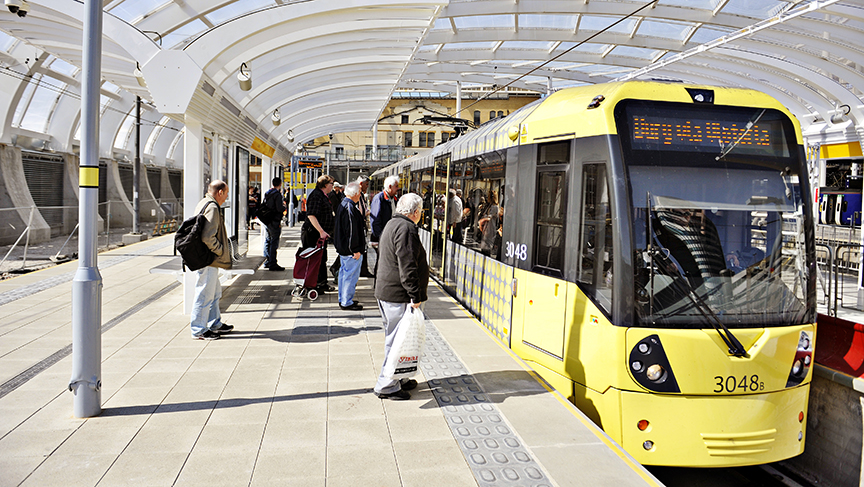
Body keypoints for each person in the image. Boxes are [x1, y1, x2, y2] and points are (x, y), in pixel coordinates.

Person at [372, 193, 429, 400]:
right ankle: (386, 385)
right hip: (398, 295)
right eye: (421, 212)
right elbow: (408, 265)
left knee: (401, 338)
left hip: (388, 291)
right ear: (416, 212)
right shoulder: (407, 228)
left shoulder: (393, 223)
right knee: (397, 340)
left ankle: (401, 375)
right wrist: (415, 295)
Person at [190, 180, 234, 340]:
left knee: (214, 293)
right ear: (220, 192)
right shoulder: (213, 207)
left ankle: (215, 323)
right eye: (226, 193)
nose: (227, 196)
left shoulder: (204, 202)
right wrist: (220, 250)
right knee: (204, 294)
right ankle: (198, 330)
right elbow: (207, 237)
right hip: (207, 259)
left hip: (207, 258)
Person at [302, 174, 336, 292]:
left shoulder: (323, 195)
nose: (333, 186)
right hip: (313, 234)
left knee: (321, 258)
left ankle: (321, 283)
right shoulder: (316, 196)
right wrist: (321, 231)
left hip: (320, 234)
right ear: (326, 185)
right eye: (332, 183)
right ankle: (315, 284)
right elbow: (311, 215)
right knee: (315, 259)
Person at [334, 182, 365, 311]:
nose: (360, 195)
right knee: (350, 276)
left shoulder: (344, 204)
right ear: (356, 193)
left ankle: (344, 299)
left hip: (344, 248)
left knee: (344, 274)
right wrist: (355, 250)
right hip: (350, 250)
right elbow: (352, 231)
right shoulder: (350, 207)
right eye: (360, 193)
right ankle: (346, 301)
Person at [262, 178, 286, 271]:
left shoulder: (268, 193)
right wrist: (284, 207)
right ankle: (273, 263)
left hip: (267, 220)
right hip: (274, 221)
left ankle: (267, 261)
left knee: (267, 240)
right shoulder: (277, 194)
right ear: (280, 184)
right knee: (274, 241)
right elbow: (279, 208)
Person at [371, 175, 400, 243]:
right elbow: (375, 220)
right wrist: (380, 236)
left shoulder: (395, 199)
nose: (398, 188)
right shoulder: (379, 198)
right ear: (390, 187)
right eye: (396, 186)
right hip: (383, 237)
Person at [356, 175, 375, 278]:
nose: (367, 187)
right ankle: (336, 267)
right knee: (361, 249)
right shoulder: (356, 195)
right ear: (361, 184)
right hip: (359, 226)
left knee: (364, 248)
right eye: (366, 184)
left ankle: (364, 270)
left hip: (362, 225)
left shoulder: (362, 195)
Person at [328, 182, 346, 281]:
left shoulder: (337, 195)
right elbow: (336, 208)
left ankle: (336, 269)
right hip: (335, 226)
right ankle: (336, 269)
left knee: (342, 250)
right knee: (343, 250)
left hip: (335, 225)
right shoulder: (332, 196)